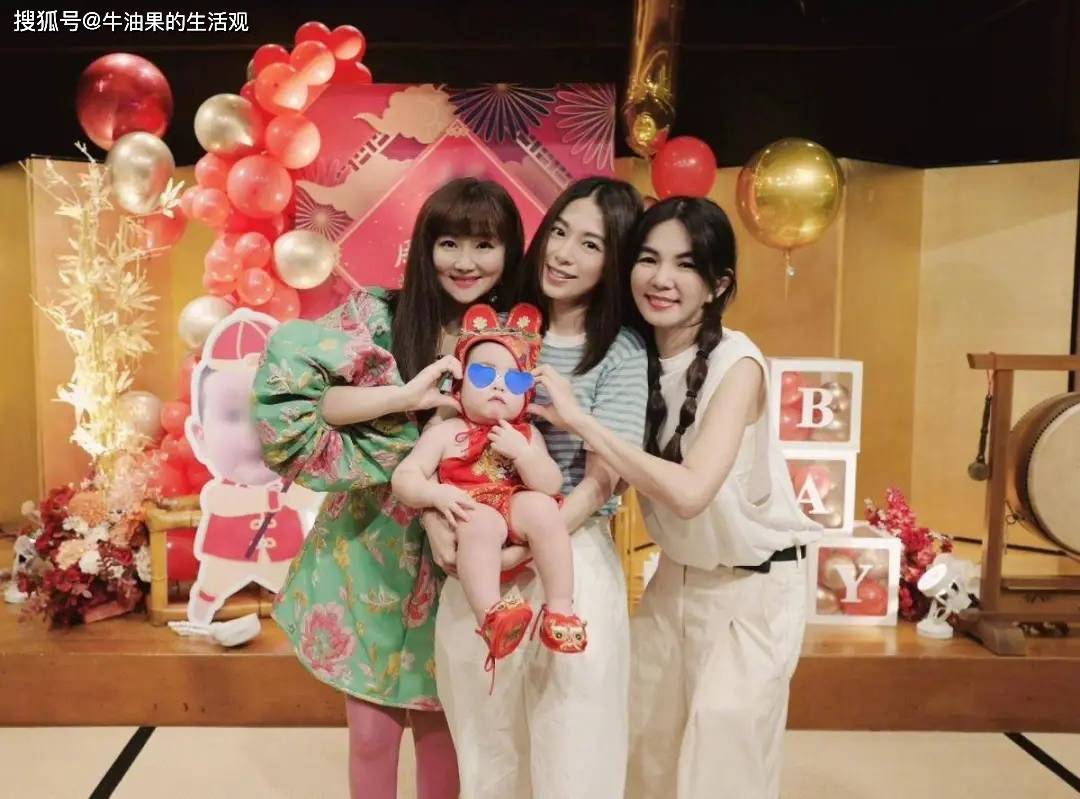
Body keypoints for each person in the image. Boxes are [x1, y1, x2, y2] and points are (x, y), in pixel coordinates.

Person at [530, 196, 823, 799]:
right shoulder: (631, 352)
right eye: (648, 258)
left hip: (755, 587)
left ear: (718, 285)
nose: (661, 278)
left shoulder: (738, 364)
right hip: (672, 581)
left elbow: (690, 493)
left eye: (686, 265)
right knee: (648, 762)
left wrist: (580, 421)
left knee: (722, 766)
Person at [252, 177, 523, 799]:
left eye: (484, 245)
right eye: (449, 243)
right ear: (425, 247)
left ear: (510, 252)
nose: (465, 261)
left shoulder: (516, 340)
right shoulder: (379, 313)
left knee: (445, 739)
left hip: (461, 552)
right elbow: (316, 401)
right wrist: (404, 397)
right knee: (371, 737)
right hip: (368, 545)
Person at [429, 176, 647, 798]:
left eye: (590, 245)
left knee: (572, 750)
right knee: (486, 749)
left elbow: (604, 477)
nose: (563, 254)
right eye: (559, 232)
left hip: (568, 559)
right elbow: (442, 436)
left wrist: (529, 546)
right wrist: (436, 523)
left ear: (614, 262)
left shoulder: (623, 352)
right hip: (478, 551)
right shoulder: (495, 327)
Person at [392, 303, 585, 684]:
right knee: (479, 521)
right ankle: (492, 617)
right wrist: (436, 495)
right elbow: (405, 477)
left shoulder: (527, 434)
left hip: (515, 510)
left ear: (527, 395)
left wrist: (524, 454)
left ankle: (560, 609)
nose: (499, 385)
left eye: (514, 380)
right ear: (459, 386)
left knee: (542, 507)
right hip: (473, 516)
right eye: (483, 374)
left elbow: (550, 484)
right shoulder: (446, 433)